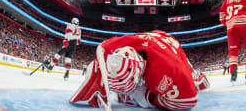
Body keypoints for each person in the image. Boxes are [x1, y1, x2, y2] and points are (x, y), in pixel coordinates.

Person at [69, 30, 210, 110]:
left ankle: (198, 77)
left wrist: (149, 98)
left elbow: (189, 100)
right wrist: (99, 67)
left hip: (171, 46)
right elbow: (102, 48)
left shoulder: (165, 72)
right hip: (156, 37)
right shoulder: (127, 43)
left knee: (191, 78)